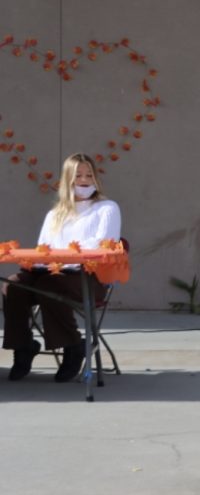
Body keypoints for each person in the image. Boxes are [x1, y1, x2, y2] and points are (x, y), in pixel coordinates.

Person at [2, 153, 122, 381]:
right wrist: (33, 266)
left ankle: (73, 346)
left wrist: (62, 256)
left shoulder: (107, 208)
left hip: (89, 277)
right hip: (51, 273)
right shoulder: (55, 214)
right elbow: (43, 250)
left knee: (50, 285)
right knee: (14, 285)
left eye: (89, 175)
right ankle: (24, 347)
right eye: (78, 176)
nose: (85, 180)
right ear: (68, 180)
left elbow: (101, 244)